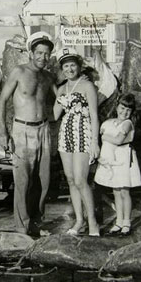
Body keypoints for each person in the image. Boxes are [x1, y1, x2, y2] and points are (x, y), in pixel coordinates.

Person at [0, 31, 56, 235]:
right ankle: (22, 226)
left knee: (44, 181)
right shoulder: (19, 72)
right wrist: (2, 130)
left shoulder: (48, 77)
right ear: (31, 53)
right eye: (39, 53)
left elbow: (62, 98)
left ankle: (37, 222)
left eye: (46, 54)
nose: (42, 57)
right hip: (22, 131)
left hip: (44, 130)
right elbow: (2, 100)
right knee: (22, 181)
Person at [54, 48, 100, 236]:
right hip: (66, 133)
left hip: (83, 132)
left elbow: (95, 116)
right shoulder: (61, 87)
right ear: (62, 69)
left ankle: (93, 223)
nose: (70, 69)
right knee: (71, 180)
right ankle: (79, 221)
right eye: (66, 66)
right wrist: (52, 90)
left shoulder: (87, 86)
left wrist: (95, 142)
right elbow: (55, 114)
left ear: (79, 66)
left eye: (73, 65)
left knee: (81, 180)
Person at [94, 93, 141, 236]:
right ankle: (119, 221)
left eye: (128, 110)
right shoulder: (111, 121)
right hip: (113, 159)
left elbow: (119, 140)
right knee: (116, 191)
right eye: (122, 108)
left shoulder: (127, 123)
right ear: (117, 107)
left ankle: (127, 221)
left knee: (124, 191)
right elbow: (103, 129)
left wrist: (103, 136)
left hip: (124, 158)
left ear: (132, 112)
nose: (124, 112)